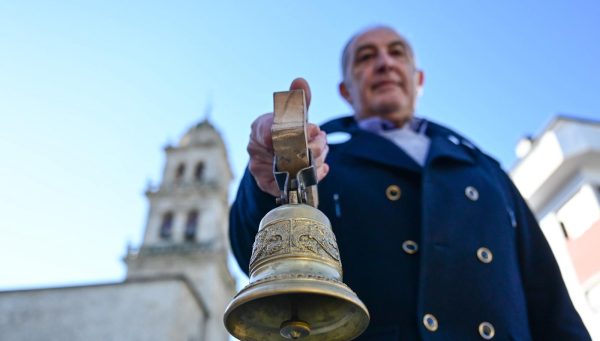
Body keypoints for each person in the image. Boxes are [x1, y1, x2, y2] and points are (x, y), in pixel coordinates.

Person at [229, 25, 591, 340]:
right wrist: (269, 178)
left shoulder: (485, 169)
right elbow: (253, 253)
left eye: (396, 53)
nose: (384, 63)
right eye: (366, 57)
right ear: (346, 89)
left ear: (418, 79)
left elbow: (550, 301)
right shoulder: (321, 159)